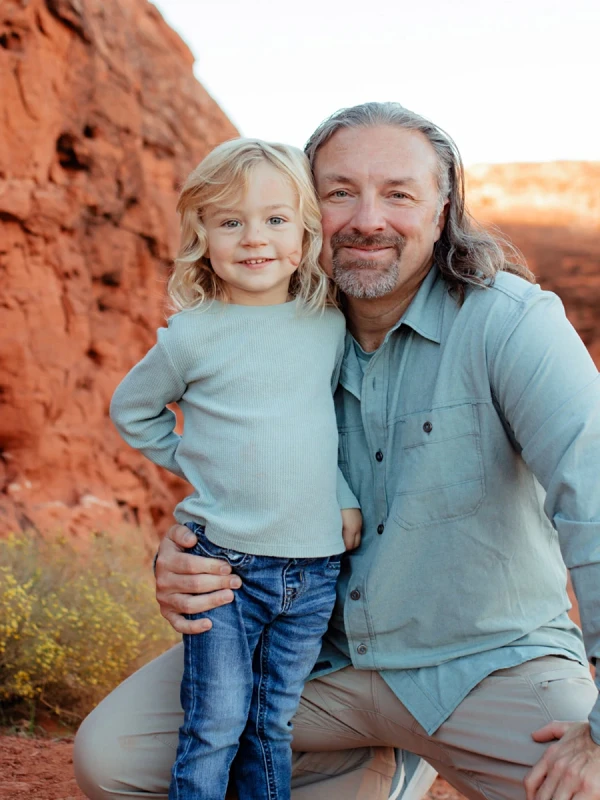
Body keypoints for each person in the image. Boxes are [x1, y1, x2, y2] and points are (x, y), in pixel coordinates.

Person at [74, 102, 600, 800]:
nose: (367, 219)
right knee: (113, 758)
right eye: (340, 192)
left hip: (482, 667)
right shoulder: (270, 330)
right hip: (318, 661)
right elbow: (235, 462)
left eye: (399, 195)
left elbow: (591, 497)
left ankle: (409, 753)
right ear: (307, 211)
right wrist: (185, 554)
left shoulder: (511, 323)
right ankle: (372, 768)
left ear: (443, 211)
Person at [108, 138, 362, 800]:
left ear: (305, 234)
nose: (256, 239)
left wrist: (340, 493)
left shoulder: (324, 322)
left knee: (271, 725)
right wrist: (202, 465)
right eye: (231, 221)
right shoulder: (191, 335)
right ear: (203, 235)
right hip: (225, 569)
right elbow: (133, 412)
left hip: (313, 568)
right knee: (214, 725)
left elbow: (318, 429)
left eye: (276, 220)